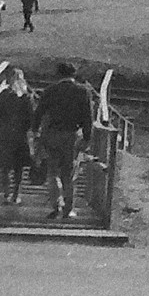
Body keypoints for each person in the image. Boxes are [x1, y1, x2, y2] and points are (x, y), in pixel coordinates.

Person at [35, 62, 97, 220]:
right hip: (71, 136)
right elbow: (88, 118)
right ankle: (68, 209)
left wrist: (35, 132)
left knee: (53, 172)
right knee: (69, 173)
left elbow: (38, 113)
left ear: (58, 75)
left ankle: (56, 205)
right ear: (73, 75)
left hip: (52, 135)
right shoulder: (83, 92)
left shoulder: (50, 91)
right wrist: (88, 138)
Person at [0, 67, 38, 205]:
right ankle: (16, 194)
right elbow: (31, 116)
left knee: (5, 165)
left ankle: (6, 192)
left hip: (5, 133)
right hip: (20, 135)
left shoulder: (3, 95)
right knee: (19, 166)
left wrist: (0, 125)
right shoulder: (26, 97)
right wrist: (27, 129)